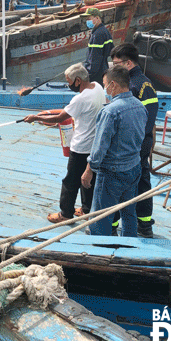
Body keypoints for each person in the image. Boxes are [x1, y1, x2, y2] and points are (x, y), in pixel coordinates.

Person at [23, 63, 105, 223]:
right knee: (88, 180)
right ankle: (86, 209)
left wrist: (36, 117)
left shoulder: (80, 99)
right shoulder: (98, 87)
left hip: (81, 147)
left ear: (78, 80)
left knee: (70, 181)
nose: (68, 85)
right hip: (94, 145)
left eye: (69, 81)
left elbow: (59, 118)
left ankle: (65, 214)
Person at [85, 66, 147, 237]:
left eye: (105, 85)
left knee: (101, 219)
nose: (105, 89)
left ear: (112, 85)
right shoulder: (140, 107)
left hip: (112, 172)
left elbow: (99, 148)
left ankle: (100, 253)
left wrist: (89, 170)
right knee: (129, 213)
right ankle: (129, 248)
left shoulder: (110, 111)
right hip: (133, 167)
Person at [109, 43, 158, 238]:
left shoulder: (132, 86)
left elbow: (133, 120)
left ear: (128, 63)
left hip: (131, 145)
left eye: (116, 64)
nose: (113, 68)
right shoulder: (146, 83)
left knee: (117, 183)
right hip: (143, 142)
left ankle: (111, 226)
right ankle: (144, 225)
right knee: (142, 182)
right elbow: (150, 120)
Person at [82, 7, 114, 84]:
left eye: (89, 18)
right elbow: (110, 49)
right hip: (104, 68)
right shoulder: (104, 31)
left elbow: (94, 59)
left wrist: (88, 75)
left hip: (96, 75)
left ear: (97, 18)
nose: (87, 21)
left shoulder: (97, 35)